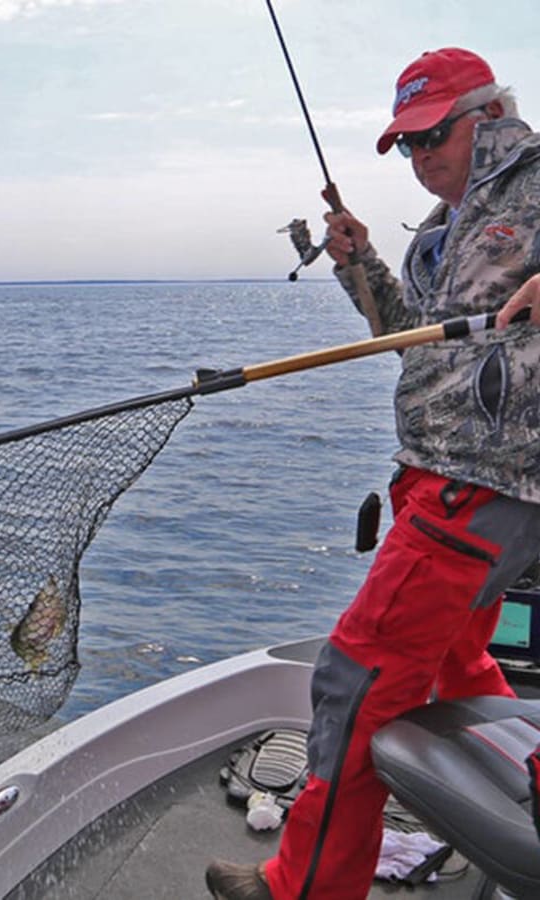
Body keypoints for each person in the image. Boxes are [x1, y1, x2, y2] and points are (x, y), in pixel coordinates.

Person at [207, 47, 540, 900]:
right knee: (457, 659)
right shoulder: (441, 229)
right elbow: (411, 336)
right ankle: (522, 782)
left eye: (432, 135)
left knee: (354, 676)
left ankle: (304, 886)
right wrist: (358, 262)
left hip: (481, 485)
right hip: (434, 479)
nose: (419, 156)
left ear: (489, 117)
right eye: (406, 144)